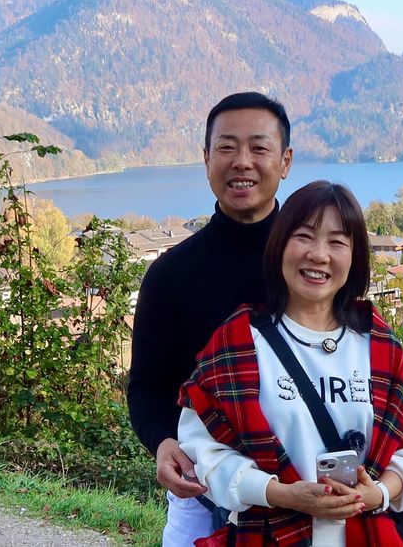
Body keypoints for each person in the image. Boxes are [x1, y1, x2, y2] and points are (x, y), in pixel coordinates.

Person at [178, 180, 403, 546]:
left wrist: (376, 493)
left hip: (368, 536)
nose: (318, 255)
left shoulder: (379, 345)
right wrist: (280, 493)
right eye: (304, 236)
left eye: (337, 242)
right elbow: (204, 450)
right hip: (271, 536)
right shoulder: (238, 343)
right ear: (279, 245)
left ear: (355, 257)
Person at [128, 92, 294, 547]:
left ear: (285, 161)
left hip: (303, 493)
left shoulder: (312, 269)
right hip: (202, 492)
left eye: (259, 148)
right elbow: (146, 385)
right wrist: (163, 442)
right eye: (227, 147)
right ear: (206, 160)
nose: (242, 162)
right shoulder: (171, 274)